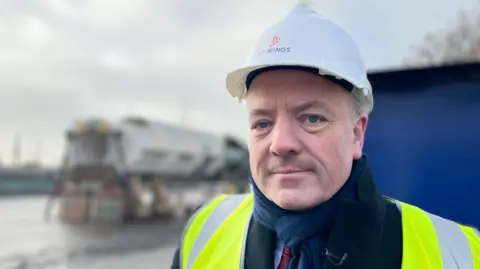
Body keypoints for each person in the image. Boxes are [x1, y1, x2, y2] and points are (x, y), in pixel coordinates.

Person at [170, 3, 480, 269]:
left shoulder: (458, 255)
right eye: (262, 123)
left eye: (312, 118)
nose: (281, 144)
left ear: (357, 134)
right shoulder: (204, 232)